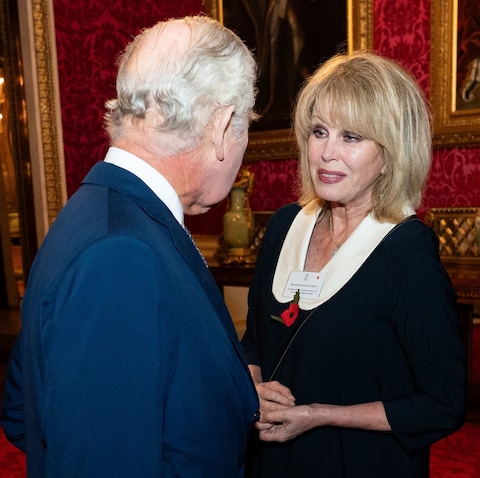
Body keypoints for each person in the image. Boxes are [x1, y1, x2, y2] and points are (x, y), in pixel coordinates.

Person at [1, 15, 260, 477]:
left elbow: (27, 412)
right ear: (222, 127)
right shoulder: (120, 257)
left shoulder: (101, 212)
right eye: (247, 125)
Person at [241, 52, 467, 478]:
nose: (327, 153)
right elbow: (255, 343)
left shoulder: (407, 250)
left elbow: (443, 402)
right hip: (271, 462)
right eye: (319, 131)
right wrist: (252, 388)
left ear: (390, 153)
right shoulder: (284, 226)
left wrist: (320, 415)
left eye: (352, 137)